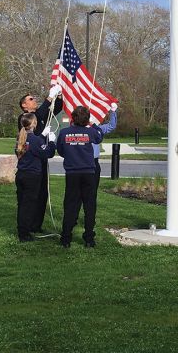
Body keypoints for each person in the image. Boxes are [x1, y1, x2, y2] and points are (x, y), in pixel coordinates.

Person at [56, 106, 104, 248]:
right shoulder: (90, 132)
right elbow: (99, 137)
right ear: (87, 119)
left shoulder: (64, 132)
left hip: (72, 173)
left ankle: (66, 238)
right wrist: (94, 125)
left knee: (70, 205)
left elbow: (61, 150)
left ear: (73, 118)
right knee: (89, 205)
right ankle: (89, 238)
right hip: (89, 173)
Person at [17, 84, 62, 232]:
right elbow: (40, 114)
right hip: (32, 160)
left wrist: (58, 96)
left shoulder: (40, 114)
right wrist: (49, 96)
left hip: (40, 158)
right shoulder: (23, 118)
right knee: (30, 197)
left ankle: (37, 225)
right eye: (31, 99)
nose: (34, 99)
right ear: (24, 105)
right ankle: (27, 225)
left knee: (42, 193)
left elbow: (55, 109)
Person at [15, 113, 56, 242]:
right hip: (32, 176)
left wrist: (43, 136)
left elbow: (32, 148)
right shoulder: (35, 140)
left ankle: (22, 229)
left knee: (22, 204)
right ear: (34, 124)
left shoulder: (20, 138)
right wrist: (52, 142)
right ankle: (25, 234)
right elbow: (48, 153)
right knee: (29, 206)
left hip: (20, 175)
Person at [93, 102, 118, 191]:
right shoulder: (79, 128)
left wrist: (113, 112)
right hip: (81, 161)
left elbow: (111, 126)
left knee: (93, 191)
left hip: (94, 162)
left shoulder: (98, 128)